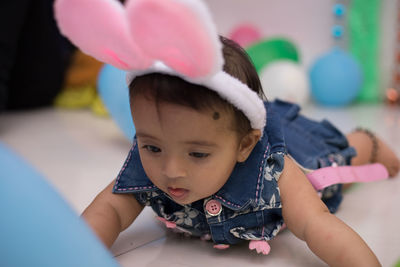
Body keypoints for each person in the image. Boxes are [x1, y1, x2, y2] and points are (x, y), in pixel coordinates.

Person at [54, 0, 400, 266]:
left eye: (198, 154)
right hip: (236, 124)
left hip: (298, 147)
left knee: (336, 160)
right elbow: (109, 212)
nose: (171, 169)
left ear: (245, 145)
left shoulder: (275, 171)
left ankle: (367, 140)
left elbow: (316, 227)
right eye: (152, 146)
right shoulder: (150, 163)